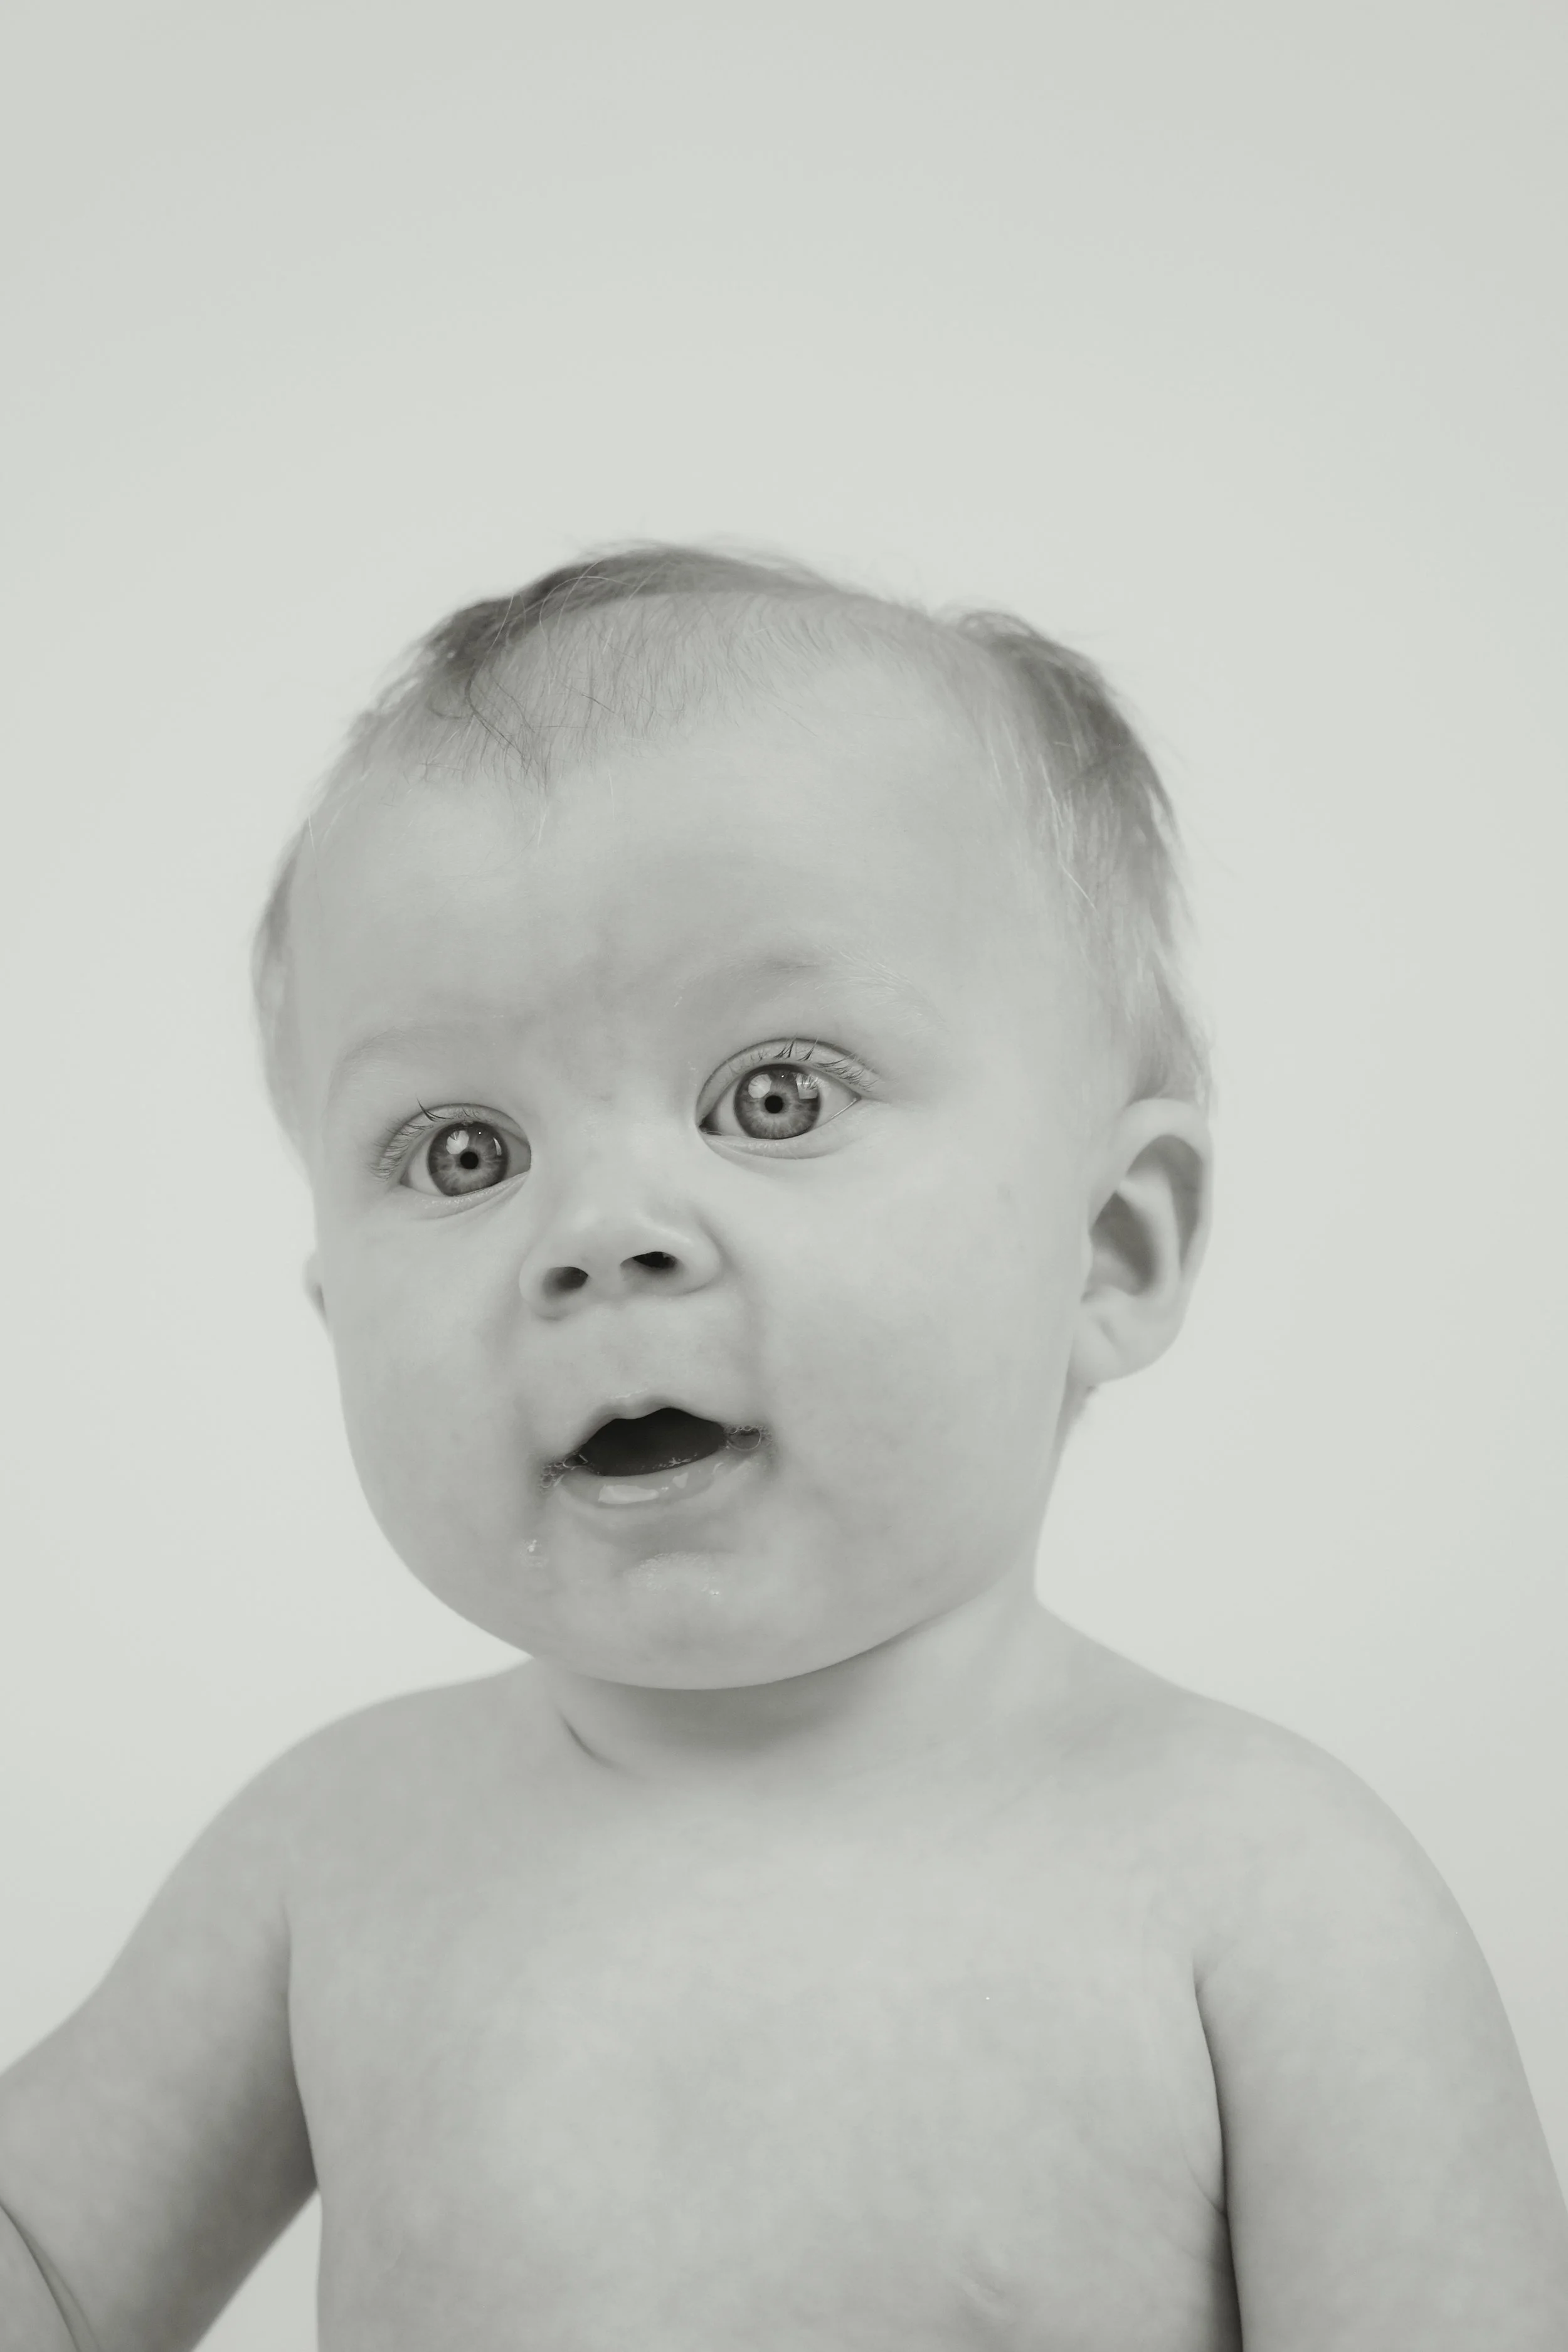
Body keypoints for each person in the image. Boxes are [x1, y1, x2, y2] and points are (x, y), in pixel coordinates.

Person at [3, 545, 1565, 2350]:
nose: (597, 1229)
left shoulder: (1270, 1890)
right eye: (460, 1153)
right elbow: (48, 2246)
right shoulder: (329, 1851)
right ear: (335, 1313)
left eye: (775, 1096)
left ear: (1112, 1246)